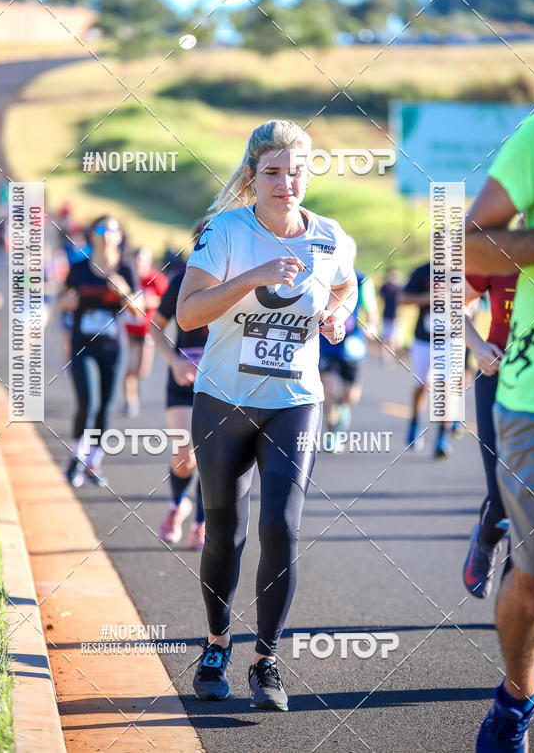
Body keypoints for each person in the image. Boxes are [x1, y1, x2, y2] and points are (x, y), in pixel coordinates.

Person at [176, 119, 357, 711]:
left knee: (282, 527)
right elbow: (188, 314)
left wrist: (339, 315)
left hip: (294, 403)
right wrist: (254, 277)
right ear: (253, 177)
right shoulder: (225, 231)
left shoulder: (330, 236)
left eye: (296, 171)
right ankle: (215, 645)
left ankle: (266, 660)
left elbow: (346, 287)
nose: (286, 183)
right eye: (273, 172)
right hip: (223, 400)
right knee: (225, 532)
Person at [464, 114, 534, 751]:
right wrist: (476, 346)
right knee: (502, 498)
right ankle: (515, 702)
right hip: (517, 380)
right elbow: (458, 271)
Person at [59, 215, 142, 488]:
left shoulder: (126, 269)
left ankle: (93, 463)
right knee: (88, 403)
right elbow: (61, 299)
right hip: (83, 345)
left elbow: (138, 310)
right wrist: (67, 302)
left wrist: (124, 291)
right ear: (92, 235)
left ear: (119, 237)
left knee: (105, 408)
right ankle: (76, 458)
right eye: (101, 229)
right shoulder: (79, 268)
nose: (106, 234)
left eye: (112, 230)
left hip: (112, 348)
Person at [149, 221, 209, 550]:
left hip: (223, 384)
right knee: (185, 457)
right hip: (184, 380)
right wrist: (174, 362)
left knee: (212, 459)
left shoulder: (241, 283)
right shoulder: (180, 282)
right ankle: (176, 506)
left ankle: (200, 522)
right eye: (203, 240)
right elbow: (155, 327)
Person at [462, 272, 518, 601]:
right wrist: (478, 346)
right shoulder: (500, 254)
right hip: (497, 378)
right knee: (503, 496)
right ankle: (484, 541)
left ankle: (515, 599)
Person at [400, 261, 458, 458]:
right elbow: (404, 298)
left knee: (446, 387)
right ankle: (415, 422)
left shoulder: (464, 270)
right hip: (424, 339)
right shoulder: (423, 270)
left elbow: (480, 302)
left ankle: (443, 439)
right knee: (422, 384)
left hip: (450, 339)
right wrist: (429, 298)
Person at [319, 262, 379, 450]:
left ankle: (342, 408)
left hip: (352, 344)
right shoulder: (322, 274)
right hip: (326, 343)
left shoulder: (362, 280)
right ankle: (333, 432)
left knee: (350, 395)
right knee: (329, 389)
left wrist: (371, 325)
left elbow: (371, 309)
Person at [123, 247, 168, 417]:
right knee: (128, 367)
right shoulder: (128, 277)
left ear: (149, 262)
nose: (138, 264)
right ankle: (131, 401)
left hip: (146, 331)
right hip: (127, 330)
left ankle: (134, 384)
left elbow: (167, 301)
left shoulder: (157, 279)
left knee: (142, 370)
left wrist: (147, 302)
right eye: (136, 260)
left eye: (142, 260)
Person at [379, 267, 402, 362]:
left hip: (395, 315)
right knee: (386, 337)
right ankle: (386, 356)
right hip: (387, 315)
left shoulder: (398, 288)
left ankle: (390, 355)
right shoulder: (385, 287)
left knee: (393, 337)